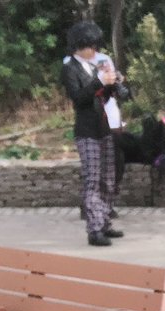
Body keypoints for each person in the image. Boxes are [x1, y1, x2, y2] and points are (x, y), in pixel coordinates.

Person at [61, 22, 126, 247]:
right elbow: (79, 99)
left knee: (108, 179)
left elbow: (103, 97)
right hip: (87, 130)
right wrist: (99, 81)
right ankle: (94, 229)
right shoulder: (70, 68)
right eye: (91, 46)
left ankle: (105, 221)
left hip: (104, 127)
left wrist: (113, 84)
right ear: (81, 46)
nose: (95, 51)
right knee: (93, 179)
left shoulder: (95, 66)